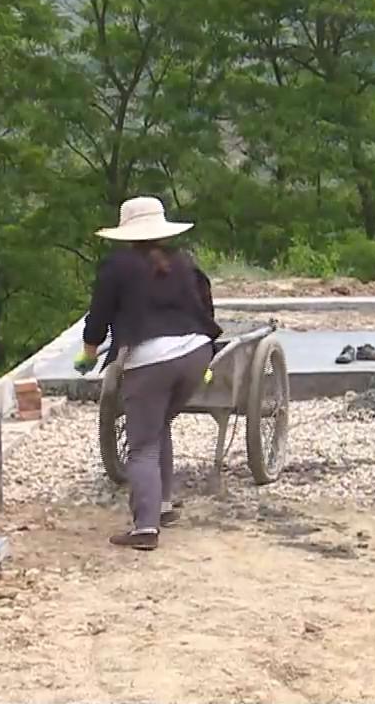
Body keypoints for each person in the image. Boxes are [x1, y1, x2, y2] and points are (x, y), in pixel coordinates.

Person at [79, 196, 223, 551]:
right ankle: (162, 506)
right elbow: (206, 305)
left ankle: (145, 527)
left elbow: (98, 316)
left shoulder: (117, 267)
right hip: (196, 355)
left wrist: (89, 352)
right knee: (159, 427)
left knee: (142, 444)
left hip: (150, 361)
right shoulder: (183, 262)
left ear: (126, 233)